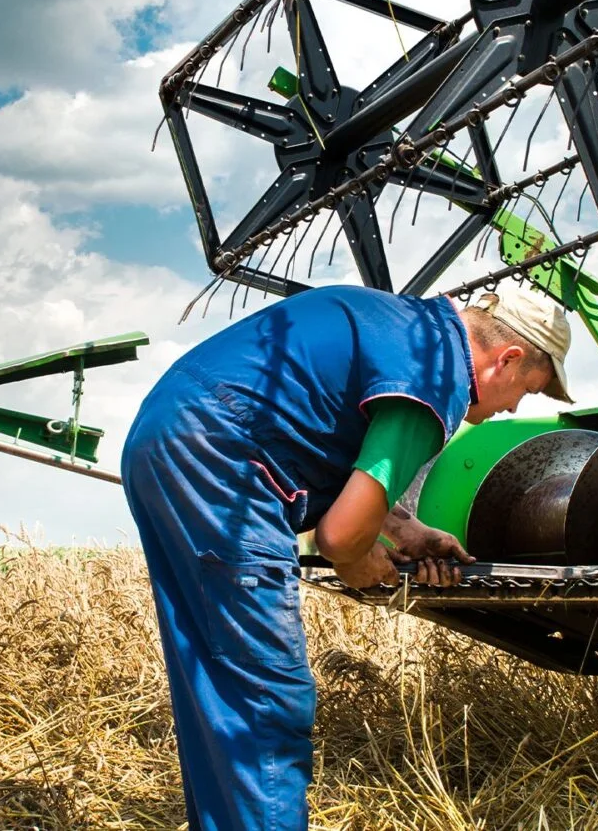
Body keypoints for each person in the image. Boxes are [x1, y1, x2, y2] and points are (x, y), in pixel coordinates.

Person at [120, 282, 572, 831]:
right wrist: (362, 566)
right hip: (224, 458)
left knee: (221, 677)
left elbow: (316, 434)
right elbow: (340, 539)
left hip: (171, 433)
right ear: (508, 358)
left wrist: (407, 530)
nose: (512, 408)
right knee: (267, 694)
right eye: (526, 391)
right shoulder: (435, 373)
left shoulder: (408, 329)